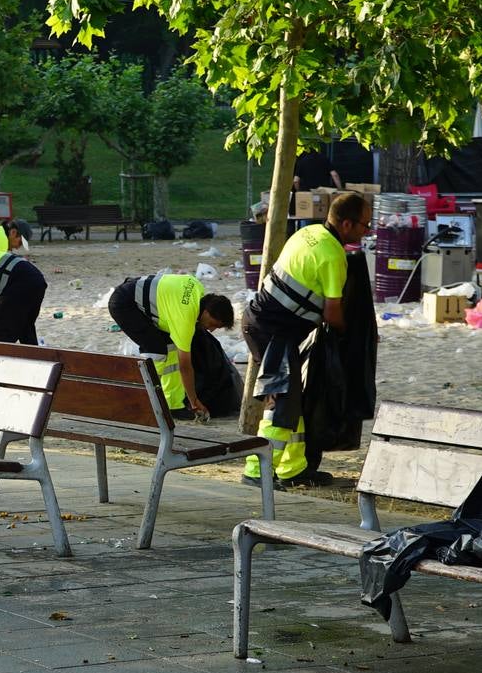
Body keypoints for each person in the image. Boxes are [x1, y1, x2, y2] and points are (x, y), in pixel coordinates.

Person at [242, 191, 373, 487]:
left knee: (292, 398)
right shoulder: (333, 256)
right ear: (347, 224)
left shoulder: (308, 232)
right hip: (274, 331)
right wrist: (349, 335)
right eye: (365, 225)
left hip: (260, 320)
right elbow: (333, 312)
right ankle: (256, 471)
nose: (368, 231)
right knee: (282, 400)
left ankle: (293, 469)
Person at [108, 273, 236, 418]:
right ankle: (143, 398)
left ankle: (173, 405)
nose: (211, 329)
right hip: (124, 303)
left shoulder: (197, 288)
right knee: (156, 350)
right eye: (212, 324)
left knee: (171, 349)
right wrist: (194, 401)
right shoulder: (185, 320)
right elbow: (185, 367)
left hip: (136, 291)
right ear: (206, 312)